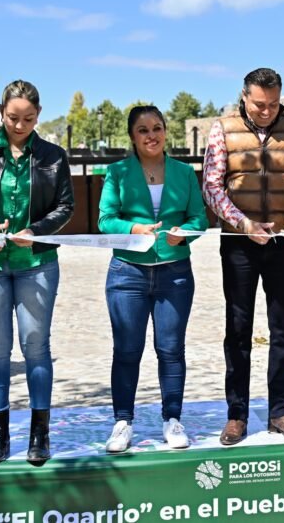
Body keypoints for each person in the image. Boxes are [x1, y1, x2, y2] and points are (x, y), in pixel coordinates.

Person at [0, 80, 75, 465]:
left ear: (39, 115)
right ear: (1, 112)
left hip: (36, 264)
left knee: (36, 346)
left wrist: (36, 231)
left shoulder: (54, 156)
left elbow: (65, 206)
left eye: (29, 118)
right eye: (12, 117)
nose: (20, 125)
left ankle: (40, 433)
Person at [202, 67, 284, 445]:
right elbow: (211, 185)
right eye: (259, 104)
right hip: (239, 242)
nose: (267, 111)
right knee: (238, 330)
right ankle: (236, 414)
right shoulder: (222, 129)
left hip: (283, 242)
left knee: (283, 330)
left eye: (272, 104)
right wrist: (243, 224)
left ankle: (280, 411)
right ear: (244, 96)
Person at [98, 105, 209, 453]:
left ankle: (172, 419)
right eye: (143, 130)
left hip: (175, 272)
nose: (151, 135)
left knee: (171, 350)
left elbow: (199, 218)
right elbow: (105, 220)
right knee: (127, 350)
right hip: (127, 272)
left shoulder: (184, 172)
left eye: (157, 128)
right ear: (132, 136)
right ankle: (122, 422)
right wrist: (133, 228)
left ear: (165, 131)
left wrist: (185, 233)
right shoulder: (116, 173)